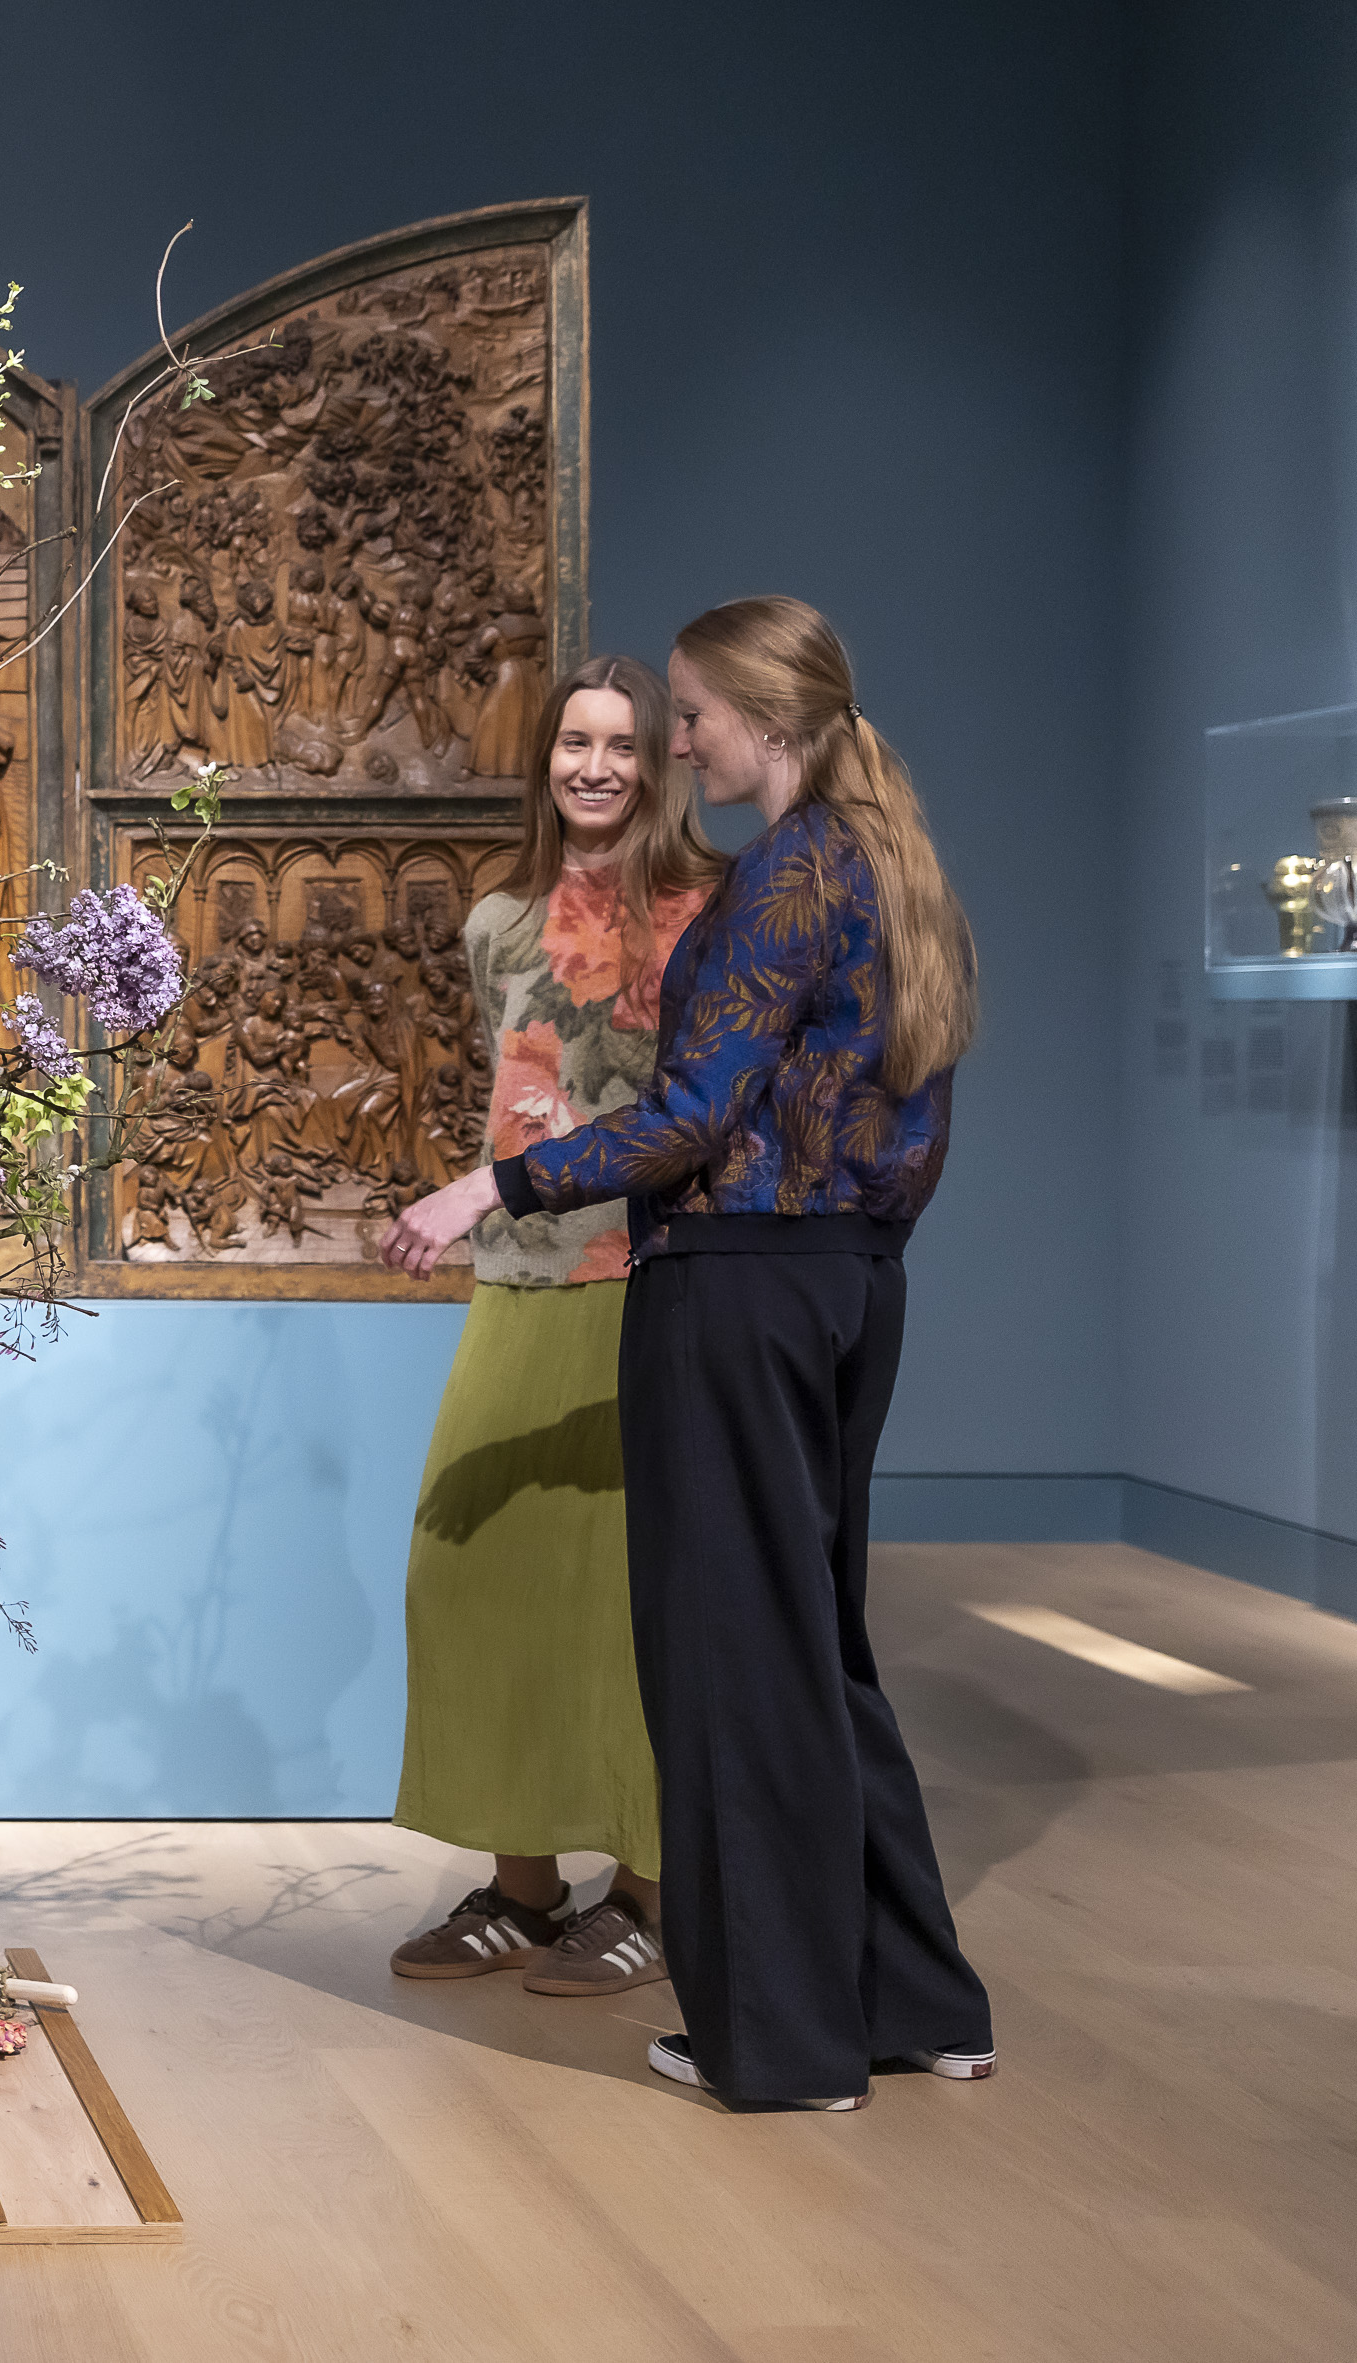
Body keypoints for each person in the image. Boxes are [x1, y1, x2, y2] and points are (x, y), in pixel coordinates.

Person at [381, 597, 995, 2111]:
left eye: (694, 717)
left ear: (763, 722)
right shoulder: (885, 861)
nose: (683, 743)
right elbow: (909, 1129)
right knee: (822, 1658)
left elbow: (694, 1115)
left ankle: (780, 2046)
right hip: (853, 1285)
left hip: (739, 1291)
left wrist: (491, 1185)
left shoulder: (787, 872)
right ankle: (917, 2002)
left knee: (735, 1674)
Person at [388, 654, 716, 1998]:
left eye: (621, 745)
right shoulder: (500, 923)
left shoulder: (704, 917)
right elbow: (523, 1098)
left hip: (645, 1285)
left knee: (627, 1602)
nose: (594, 766)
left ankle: (649, 1891)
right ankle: (523, 1892)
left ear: (658, 763)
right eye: (573, 742)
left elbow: (690, 1109)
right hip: (518, 1282)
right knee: (474, 1571)